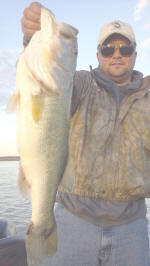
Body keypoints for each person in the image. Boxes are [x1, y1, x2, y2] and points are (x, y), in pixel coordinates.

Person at [21, 2, 150, 266]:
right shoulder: (79, 83)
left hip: (132, 227)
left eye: (124, 49)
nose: (116, 54)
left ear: (135, 54)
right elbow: (51, 77)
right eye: (108, 48)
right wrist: (33, 37)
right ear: (99, 54)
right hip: (72, 219)